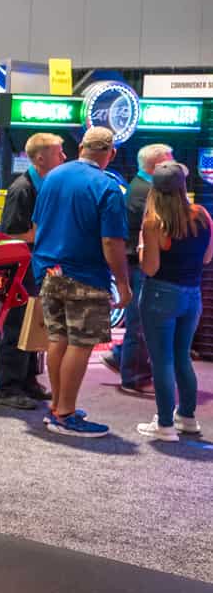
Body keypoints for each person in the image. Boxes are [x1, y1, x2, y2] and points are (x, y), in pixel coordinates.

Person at [31, 126, 131, 437]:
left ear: (81, 148)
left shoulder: (53, 177)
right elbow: (111, 242)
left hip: (49, 271)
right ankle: (66, 413)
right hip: (85, 276)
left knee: (57, 339)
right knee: (80, 344)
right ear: (111, 153)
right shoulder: (107, 186)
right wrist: (123, 284)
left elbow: (38, 224)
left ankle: (57, 406)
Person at [134, 161, 210, 442]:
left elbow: (150, 268)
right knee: (182, 357)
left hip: (160, 295)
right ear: (182, 186)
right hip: (192, 295)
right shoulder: (202, 214)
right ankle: (187, 418)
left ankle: (165, 424)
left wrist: (141, 245)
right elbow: (207, 258)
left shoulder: (154, 222)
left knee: (162, 361)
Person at [0, 132, 66, 409]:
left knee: (35, 325)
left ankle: (27, 380)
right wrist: (42, 233)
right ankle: (7, 388)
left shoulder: (45, 185)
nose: (64, 157)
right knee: (17, 326)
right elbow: (9, 234)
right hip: (21, 269)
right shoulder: (22, 189)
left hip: (38, 265)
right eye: (58, 153)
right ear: (40, 158)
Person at [102, 142, 173, 394]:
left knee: (142, 319)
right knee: (141, 322)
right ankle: (134, 377)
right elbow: (163, 228)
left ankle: (121, 357)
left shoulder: (143, 187)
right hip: (139, 263)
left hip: (138, 261)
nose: (173, 166)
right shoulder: (146, 192)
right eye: (170, 161)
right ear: (157, 165)